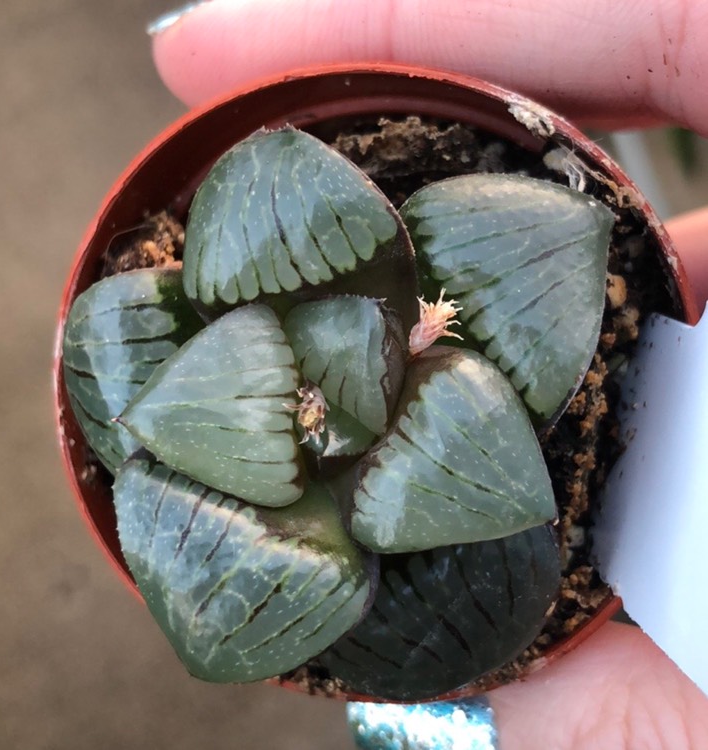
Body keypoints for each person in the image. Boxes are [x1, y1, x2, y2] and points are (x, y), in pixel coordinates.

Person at [147, 3, 708, 748]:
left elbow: (554, 243)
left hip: (422, 382)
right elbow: (265, 176)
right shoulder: (188, 393)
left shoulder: (445, 412)